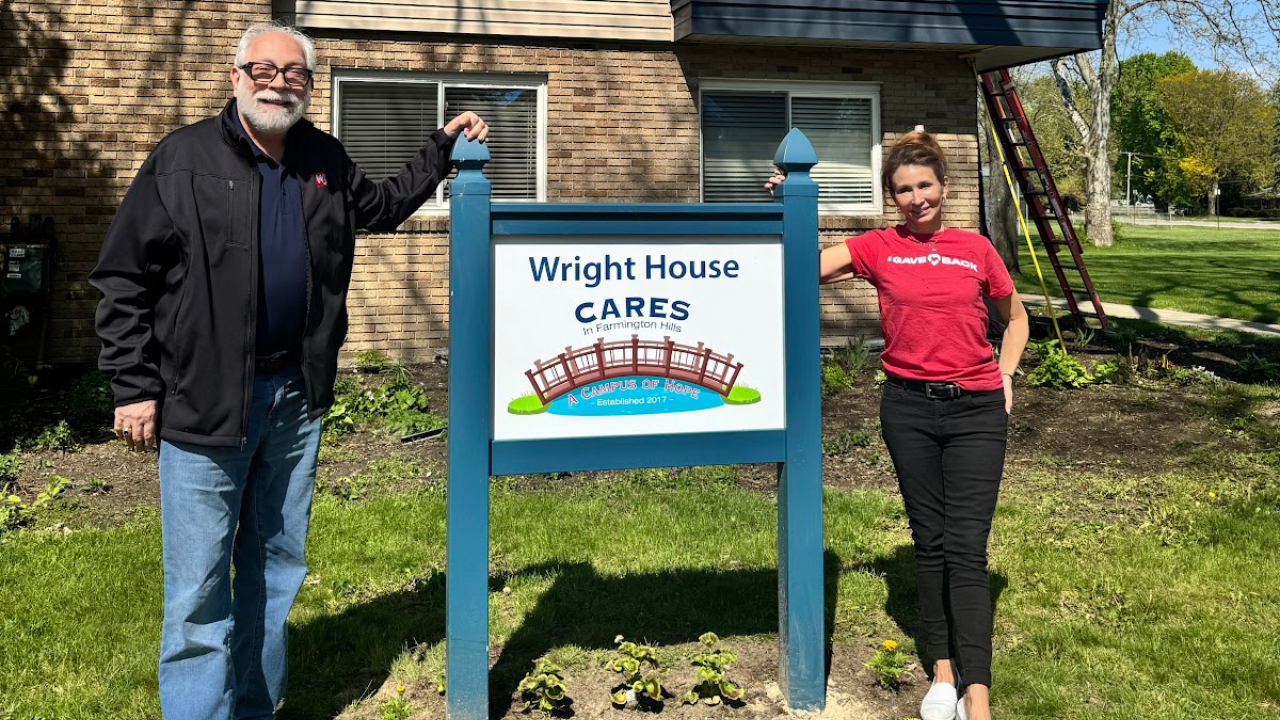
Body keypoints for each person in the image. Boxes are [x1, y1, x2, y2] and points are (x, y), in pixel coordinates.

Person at [90, 20, 487, 720]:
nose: (279, 82)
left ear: (308, 83)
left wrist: (441, 150)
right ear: (236, 76)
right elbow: (122, 277)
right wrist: (133, 385)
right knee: (199, 590)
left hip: (294, 400)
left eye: (294, 73)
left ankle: (254, 707)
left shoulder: (322, 158)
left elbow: (383, 208)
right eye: (263, 70)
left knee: (274, 571)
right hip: (203, 403)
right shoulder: (181, 161)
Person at [768, 131, 1028, 720]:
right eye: (904, 190)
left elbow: (1015, 318)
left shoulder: (975, 248)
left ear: (943, 187)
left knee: (967, 547)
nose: (916, 199)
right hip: (908, 409)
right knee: (929, 542)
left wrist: (1007, 373)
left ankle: (978, 698)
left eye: (925, 186)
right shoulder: (879, 248)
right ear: (892, 197)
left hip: (977, 410)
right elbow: (799, 267)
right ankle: (941, 672)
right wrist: (787, 204)